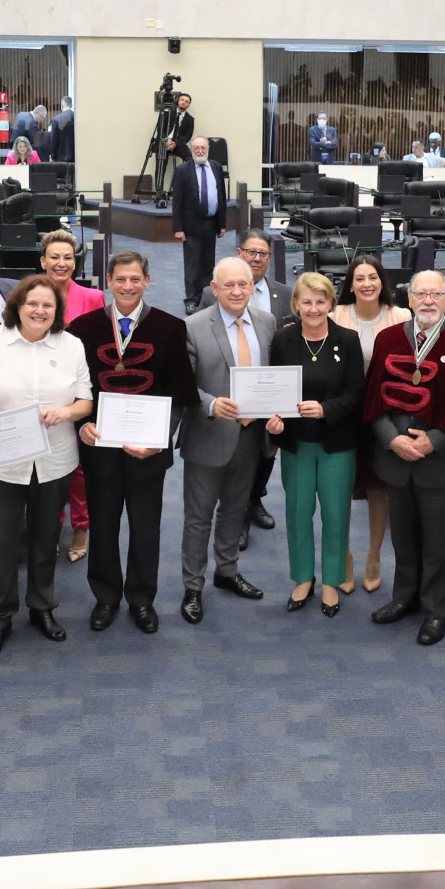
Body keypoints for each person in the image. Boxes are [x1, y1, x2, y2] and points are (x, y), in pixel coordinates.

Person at [0, 275, 94, 658]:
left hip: (54, 459)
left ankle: (41, 607)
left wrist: (65, 411)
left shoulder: (72, 346)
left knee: (45, 541)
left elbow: (86, 401)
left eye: (48, 305)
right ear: (17, 305)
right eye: (32, 303)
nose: (40, 310)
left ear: (57, 311)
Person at [363, 270, 445, 646]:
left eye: (435, 294)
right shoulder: (388, 339)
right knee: (403, 539)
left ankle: (437, 610)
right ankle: (404, 597)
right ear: (408, 299)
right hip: (397, 461)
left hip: (444, 462)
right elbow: (373, 401)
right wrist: (393, 441)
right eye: (420, 294)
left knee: (441, 543)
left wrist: (432, 442)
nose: (427, 301)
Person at [74, 251, 199, 633]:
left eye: (135, 279)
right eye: (120, 279)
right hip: (101, 449)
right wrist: (81, 427)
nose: (127, 287)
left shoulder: (170, 327)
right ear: (108, 282)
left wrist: (160, 441)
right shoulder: (83, 328)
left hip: (148, 451)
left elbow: (180, 394)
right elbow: (75, 391)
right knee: (105, 525)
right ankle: (106, 597)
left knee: (146, 528)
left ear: (147, 281)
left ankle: (142, 599)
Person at [180, 257, 276, 623]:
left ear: (252, 287)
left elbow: (273, 377)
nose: (237, 291)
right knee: (198, 518)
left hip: (251, 436)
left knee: (236, 511)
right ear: (214, 289)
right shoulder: (192, 327)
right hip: (208, 435)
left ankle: (227, 571)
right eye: (229, 285)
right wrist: (210, 403)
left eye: (244, 284)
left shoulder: (266, 323)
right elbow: (185, 383)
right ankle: (192, 586)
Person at [265, 272, 364, 617]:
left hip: (337, 443)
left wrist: (325, 409)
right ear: (295, 304)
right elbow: (273, 390)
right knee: (298, 512)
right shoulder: (283, 340)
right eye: (306, 301)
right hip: (297, 443)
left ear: (331, 304)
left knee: (336, 515)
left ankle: (332, 581)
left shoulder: (348, 340)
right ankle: (303, 578)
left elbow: (356, 394)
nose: (313, 308)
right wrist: (273, 421)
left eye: (321, 301)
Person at [332, 255, 409, 596]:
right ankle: (345, 558)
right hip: (343, 417)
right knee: (342, 490)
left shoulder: (401, 317)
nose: (367, 284)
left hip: (384, 418)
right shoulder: (335, 316)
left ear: (382, 282)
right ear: (350, 284)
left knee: (379, 488)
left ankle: (374, 557)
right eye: (359, 278)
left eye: (373, 277)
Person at [41, 229, 105, 562]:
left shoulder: (93, 298)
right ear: (43, 261)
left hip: (81, 394)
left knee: (80, 469)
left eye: (68, 257)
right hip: (41, 395)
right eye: (55, 257)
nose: (61, 263)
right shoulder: (32, 296)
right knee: (47, 466)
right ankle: (51, 527)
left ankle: (81, 528)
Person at [170, 135, 229, 311]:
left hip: (211, 224)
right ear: (191, 149)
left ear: (208, 149)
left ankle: (206, 297)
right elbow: (177, 202)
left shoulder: (216, 168)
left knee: (208, 263)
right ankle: (191, 300)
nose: (200, 151)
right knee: (192, 264)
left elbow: (221, 198)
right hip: (191, 225)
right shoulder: (183, 170)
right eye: (196, 148)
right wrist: (178, 228)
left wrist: (222, 224)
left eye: (203, 148)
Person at [162, 92, 195, 164]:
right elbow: (160, 129)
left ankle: (184, 175)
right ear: (178, 101)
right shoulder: (167, 114)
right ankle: (159, 175)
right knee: (161, 165)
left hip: (178, 144)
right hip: (164, 142)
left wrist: (175, 144)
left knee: (190, 160)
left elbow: (187, 136)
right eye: (182, 100)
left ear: (188, 105)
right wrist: (167, 141)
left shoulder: (190, 119)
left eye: (186, 101)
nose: (184, 102)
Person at [49, 96, 76, 164]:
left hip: (60, 158)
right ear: (71, 105)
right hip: (76, 158)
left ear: (61, 106)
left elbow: (53, 140)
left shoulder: (56, 119)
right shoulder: (77, 118)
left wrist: (52, 156)